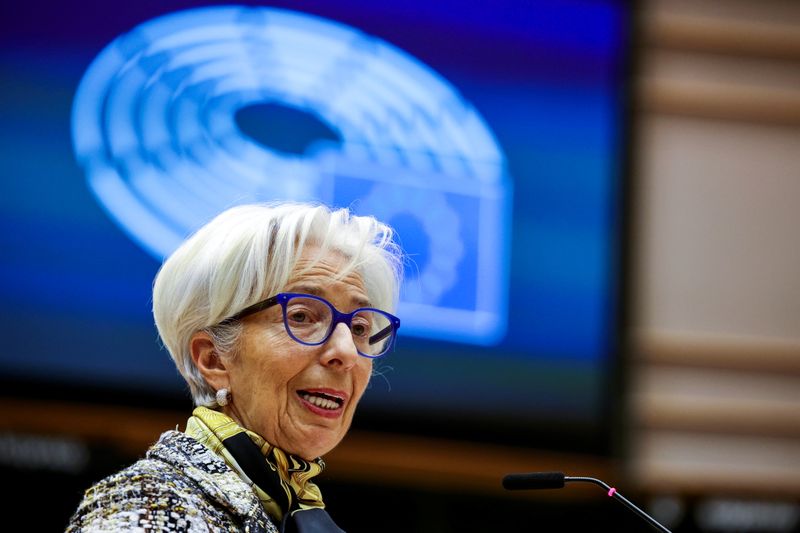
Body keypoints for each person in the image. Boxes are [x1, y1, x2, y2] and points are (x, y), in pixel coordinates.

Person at [66, 202, 403, 532]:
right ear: (213, 359)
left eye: (359, 327)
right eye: (301, 316)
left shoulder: (284, 508)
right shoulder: (148, 506)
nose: (347, 352)